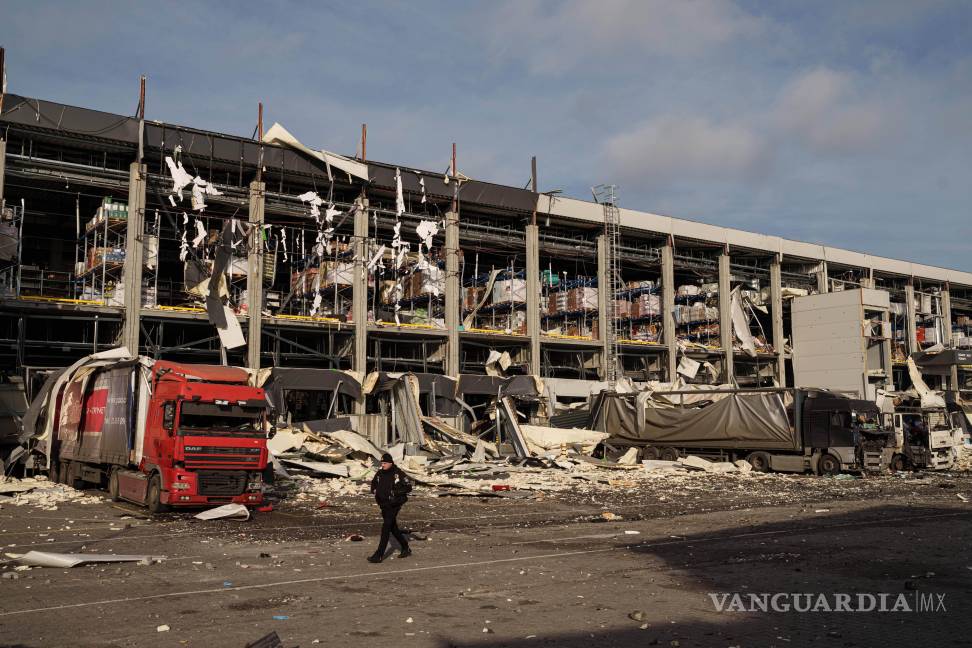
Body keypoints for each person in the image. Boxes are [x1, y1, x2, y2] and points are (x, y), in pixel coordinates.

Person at [368, 453, 412, 563]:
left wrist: (395, 492)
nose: (383, 465)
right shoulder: (380, 473)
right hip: (383, 504)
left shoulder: (398, 473)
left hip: (394, 504)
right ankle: (405, 547)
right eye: (382, 463)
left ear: (390, 463)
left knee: (386, 527)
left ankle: (379, 555)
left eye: (385, 463)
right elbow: (373, 483)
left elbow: (408, 487)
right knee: (393, 528)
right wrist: (374, 490)